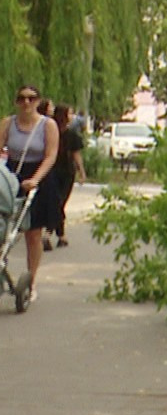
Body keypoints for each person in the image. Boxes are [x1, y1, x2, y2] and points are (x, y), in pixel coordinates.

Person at [0, 85, 60, 302]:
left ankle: (31, 281)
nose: (26, 103)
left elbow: (51, 156)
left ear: (38, 101)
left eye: (31, 98)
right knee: (5, 227)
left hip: (38, 177)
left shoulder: (47, 125)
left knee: (33, 234)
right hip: (12, 176)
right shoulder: (8, 124)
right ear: (17, 101)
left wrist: (35, 179)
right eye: (22, 98)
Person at [50, 105, 86, 249]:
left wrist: (81, 171)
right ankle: (56, 234)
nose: (72, 116)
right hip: (51, 171)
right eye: (70, 113)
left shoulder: (72, 135)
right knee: (56, 202)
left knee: (60, 203)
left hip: (67, 173)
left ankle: (56, 233)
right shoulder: (49, 131)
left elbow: (76, 154)